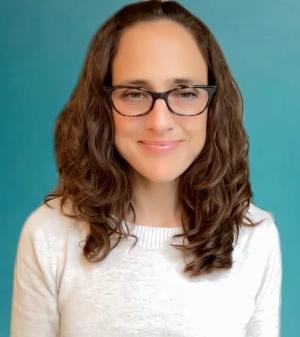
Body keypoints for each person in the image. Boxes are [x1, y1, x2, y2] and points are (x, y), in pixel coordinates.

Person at [10, 1, 282, 336]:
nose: (160, 121)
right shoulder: (49, 235)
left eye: (185, 92)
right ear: (101, 106)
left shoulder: (256, 237)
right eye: (135, 93)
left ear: (214, 105)